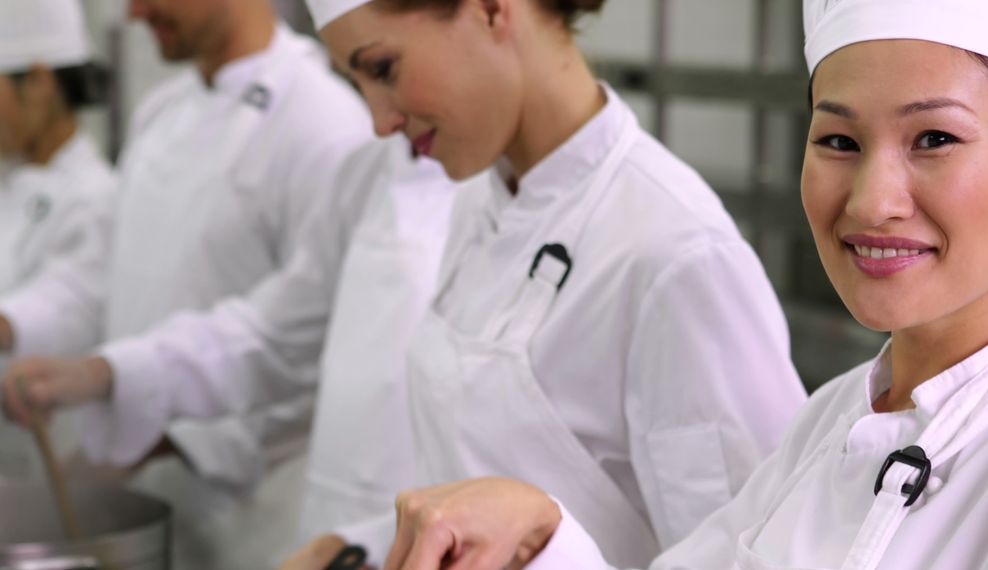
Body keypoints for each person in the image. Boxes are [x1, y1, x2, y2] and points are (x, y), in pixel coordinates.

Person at [377, 0, 988, 568]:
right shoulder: (826, 424)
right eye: (838, 141)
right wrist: (540, 537)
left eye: (934, 139)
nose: (871, 202)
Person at [288, 0, 806, 567]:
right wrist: (360, 548)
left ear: (490, 11)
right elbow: (478, 473)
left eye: (383, 69)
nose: (379, 120)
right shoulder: (481, 201)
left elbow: (750, 554)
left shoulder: (677, 256)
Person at [0, 0, 374, 567]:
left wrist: (156, 427)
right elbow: (105, 272)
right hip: (146, 506)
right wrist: (31, 336)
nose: (133, 10)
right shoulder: (163, 110)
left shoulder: (324, 122)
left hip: (251, 526)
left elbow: (313, 351)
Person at [0, 0, 115, 481]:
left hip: (47, 476)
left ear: (40, 83)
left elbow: (73, 302)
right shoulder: (9, 176)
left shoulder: (97, 195)